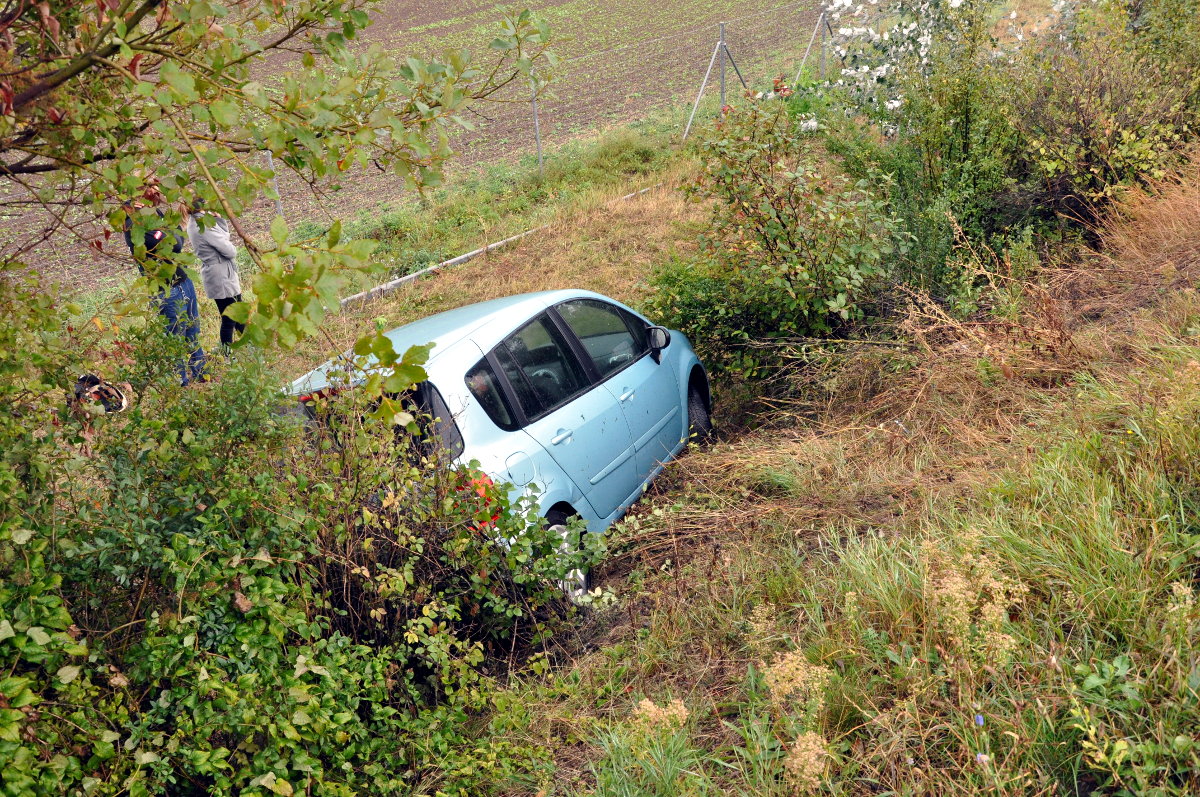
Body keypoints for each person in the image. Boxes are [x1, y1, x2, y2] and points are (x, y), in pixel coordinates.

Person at [123, 192, 207, 386]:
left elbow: (176, 237)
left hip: (184, 281)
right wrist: (171, 229)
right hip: (165, 292)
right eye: (152, 191)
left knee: (193, 330)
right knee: (174, 339)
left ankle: (201, 373)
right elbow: (176, 242)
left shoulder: (154, 215)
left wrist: (172, 227)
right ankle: (180, 383)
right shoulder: (133, 227)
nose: (157, 195)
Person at [185, 199, 245, 350]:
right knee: (230, 316)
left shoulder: (196, 221)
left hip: (217, 272)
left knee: (236, 311)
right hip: (221, 274)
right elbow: (229, 250)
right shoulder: (203, 225)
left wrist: (219, 219)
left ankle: (247, 343)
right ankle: (227, 352)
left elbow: (222, 236)